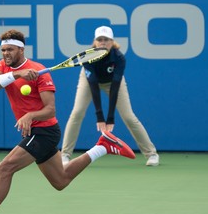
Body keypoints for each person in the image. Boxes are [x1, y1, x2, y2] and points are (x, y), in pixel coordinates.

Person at [0, 29, 136, 214]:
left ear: (21, 49)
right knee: (61, 181)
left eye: (10, 50)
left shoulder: (40, 72)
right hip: (33, 133)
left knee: (5, 168)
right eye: (3, 50)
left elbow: (50, 110)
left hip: (44, 132)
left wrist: (30, 115)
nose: (5, 54)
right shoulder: (4, 66)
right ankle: (102, 147)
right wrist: (16, 74)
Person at [61, 26, 159, 167]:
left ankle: (152, 154)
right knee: (77, 113)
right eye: (100, 40)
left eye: (106, 40)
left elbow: (115, 86)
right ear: (95, 42)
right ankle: (64, 155)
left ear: (112, 42)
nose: (103, 43)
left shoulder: (119, 58)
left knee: (129, 117)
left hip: (112, 83)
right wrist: (100, 117)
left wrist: (110, 118)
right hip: (89, 82)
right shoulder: (87, 57)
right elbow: (93, 85)